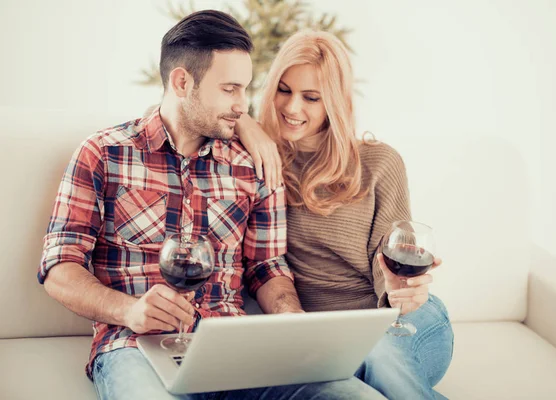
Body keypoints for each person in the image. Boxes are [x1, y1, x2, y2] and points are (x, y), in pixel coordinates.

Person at [38, 11, 386, 400]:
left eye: (245, 89)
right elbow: (59, 267)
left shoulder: (253, 164)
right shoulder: (103, 154)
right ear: (182, 82)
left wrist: (291, 321)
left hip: (236, 350)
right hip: (135, 348)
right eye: (230, 89)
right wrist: (128, 311)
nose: (243, 106)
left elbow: (266, 266)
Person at [236, 30, 454, 399]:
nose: (292, 108)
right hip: (316, 336)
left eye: (311, 97)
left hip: (396, 322)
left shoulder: (379, 162)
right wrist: (245, 124)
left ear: (333, 102)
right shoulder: (256, 156)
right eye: (284, 90)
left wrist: (402, 294)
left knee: (375, 352)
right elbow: (169, 115)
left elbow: (388, 259)